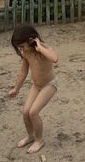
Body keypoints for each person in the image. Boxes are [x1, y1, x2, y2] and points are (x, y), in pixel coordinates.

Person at [8, 24, 59, 154]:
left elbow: (55, 58)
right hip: (36, 85)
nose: (21, 49)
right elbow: (23, 72)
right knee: (25, 112)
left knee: (33, 112)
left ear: (31, 40)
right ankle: (30, 136)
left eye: (22, 46)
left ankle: (39, 140)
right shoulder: (26, 53)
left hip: (49, 84)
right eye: (19, 47)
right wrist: (16, 89)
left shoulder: (43, 48)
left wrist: (40, 48)